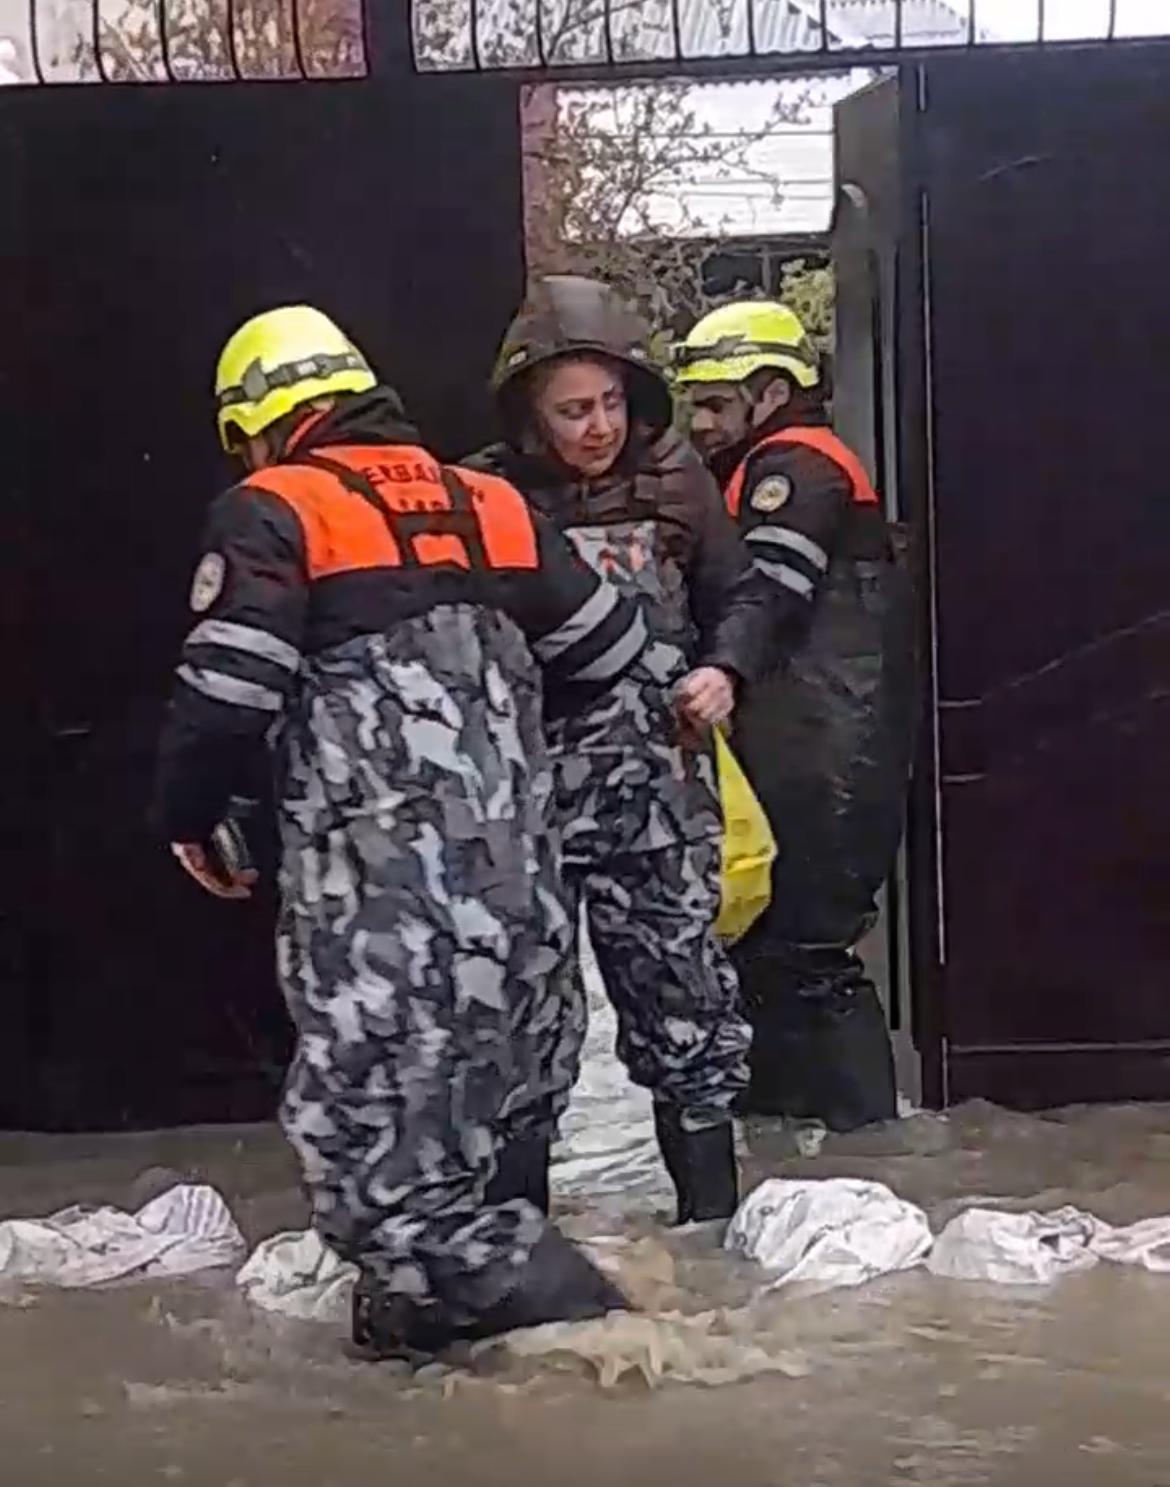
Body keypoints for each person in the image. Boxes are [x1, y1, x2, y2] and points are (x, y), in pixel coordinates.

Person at [153, 304, 652, 1357]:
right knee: (484, 1165)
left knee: (377, 1193)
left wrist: (191, 817)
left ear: (257, 424)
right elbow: (613, 653)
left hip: (389, 912)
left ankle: (616, 1333)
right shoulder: (491, 503)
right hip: (524, 907)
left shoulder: (278, 506)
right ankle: (460, 1389)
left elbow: (228, 692)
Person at [465, 275, 772, 1224]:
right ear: (530, 415)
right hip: (528, 804)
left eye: (609, 403)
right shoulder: (480, 495)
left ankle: (710, 1241)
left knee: (689, 1015)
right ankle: (520, 1251)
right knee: (522, 1028)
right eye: (572, 411)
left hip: (658, 799)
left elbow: (743, 594)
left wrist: (726, 668)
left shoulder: (681, 478)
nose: (598, 427)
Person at [676, 300, 917, 1132]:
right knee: (768, 952)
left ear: (773, 390)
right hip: (809, 744)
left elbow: (773, 589)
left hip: (825, 753)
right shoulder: (770, 464)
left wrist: (721, 668)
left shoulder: (798, 467)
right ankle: (786, 1142)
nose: (701, 422)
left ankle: (871, 1146)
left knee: (810, 953)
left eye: (716, 402)